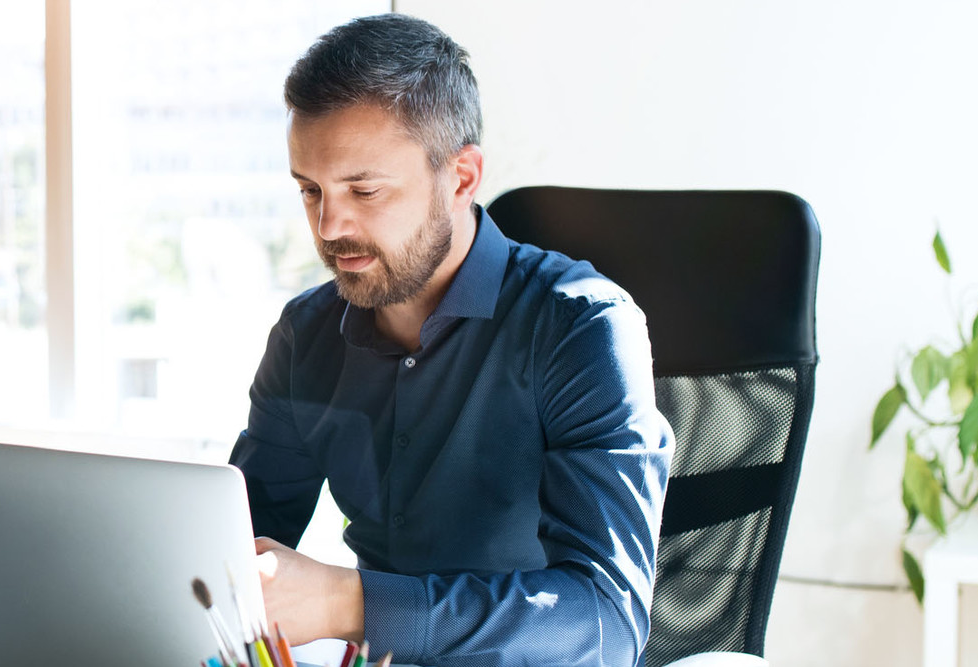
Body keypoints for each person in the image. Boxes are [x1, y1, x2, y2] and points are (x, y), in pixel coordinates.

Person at [228, 15, 673, 666]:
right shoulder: (305, 336)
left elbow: (605, 618)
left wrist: (347, 603)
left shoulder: (581, 327)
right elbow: (237, 546)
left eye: (364, 189)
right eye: (310, 190)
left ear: (462, 177)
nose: (330, 224)